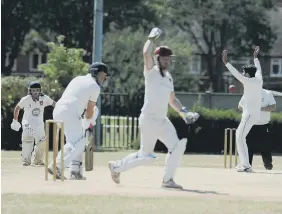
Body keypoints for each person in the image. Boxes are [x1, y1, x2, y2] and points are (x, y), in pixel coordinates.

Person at [108, 27, 199, 189]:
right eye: (164, 59)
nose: (167, 61)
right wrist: (151, 39)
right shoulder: (151, 72)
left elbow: (172, 100)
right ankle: (116, 167)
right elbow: (145, 54)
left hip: (162, 120)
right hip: (149, 119)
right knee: (146, 156)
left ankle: (168, 180)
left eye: (169, 59)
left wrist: (185, 113)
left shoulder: (169, 77)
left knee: (177, 147)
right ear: (157, 59)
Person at [48, 62, 109, 180]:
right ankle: (57, 166)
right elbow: (89, 113)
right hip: (70, 113)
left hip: (58, 110)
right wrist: (90, 122)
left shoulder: (78, 79)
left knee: (75, 141)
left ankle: (74, 171)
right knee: (80, 142)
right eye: (104, 75)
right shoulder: (95, 87)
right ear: (97, 73)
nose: (105, 78)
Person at [222, 46, 263, 172]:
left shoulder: (248, 81)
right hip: (254, 114)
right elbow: (259, 70)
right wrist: (255, 58)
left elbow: (235, 73)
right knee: (239, 136)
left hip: (249, 115)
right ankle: (245, 164)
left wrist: (226, 62)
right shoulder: (259, 80)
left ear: (247, 74)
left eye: (244, 73)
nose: (243, 74)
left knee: (239, 137)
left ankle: (246, 165)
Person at [11, 81, 56, 166]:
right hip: (28, 123)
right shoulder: (26, 99)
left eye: (37, 90)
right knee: (28, 140)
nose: (36, 92)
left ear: (40, 90)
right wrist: (15, 120)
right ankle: (26, 160)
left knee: (42, 141)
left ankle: (38, 160)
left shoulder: (44, 98)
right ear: (30, 91)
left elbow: (54, 104)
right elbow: (17, 108)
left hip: (39, 123)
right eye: (33, 90)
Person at [238, 89, 276, 170]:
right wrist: (246, 109)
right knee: (248, 146)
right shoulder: (248, 93)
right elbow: (239, 105)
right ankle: (247, 165)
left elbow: (273, 107)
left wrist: (259, 109)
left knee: (266, 146)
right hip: (250, 124)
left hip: (264, 125)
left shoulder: (267, 93)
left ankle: (268, 164)